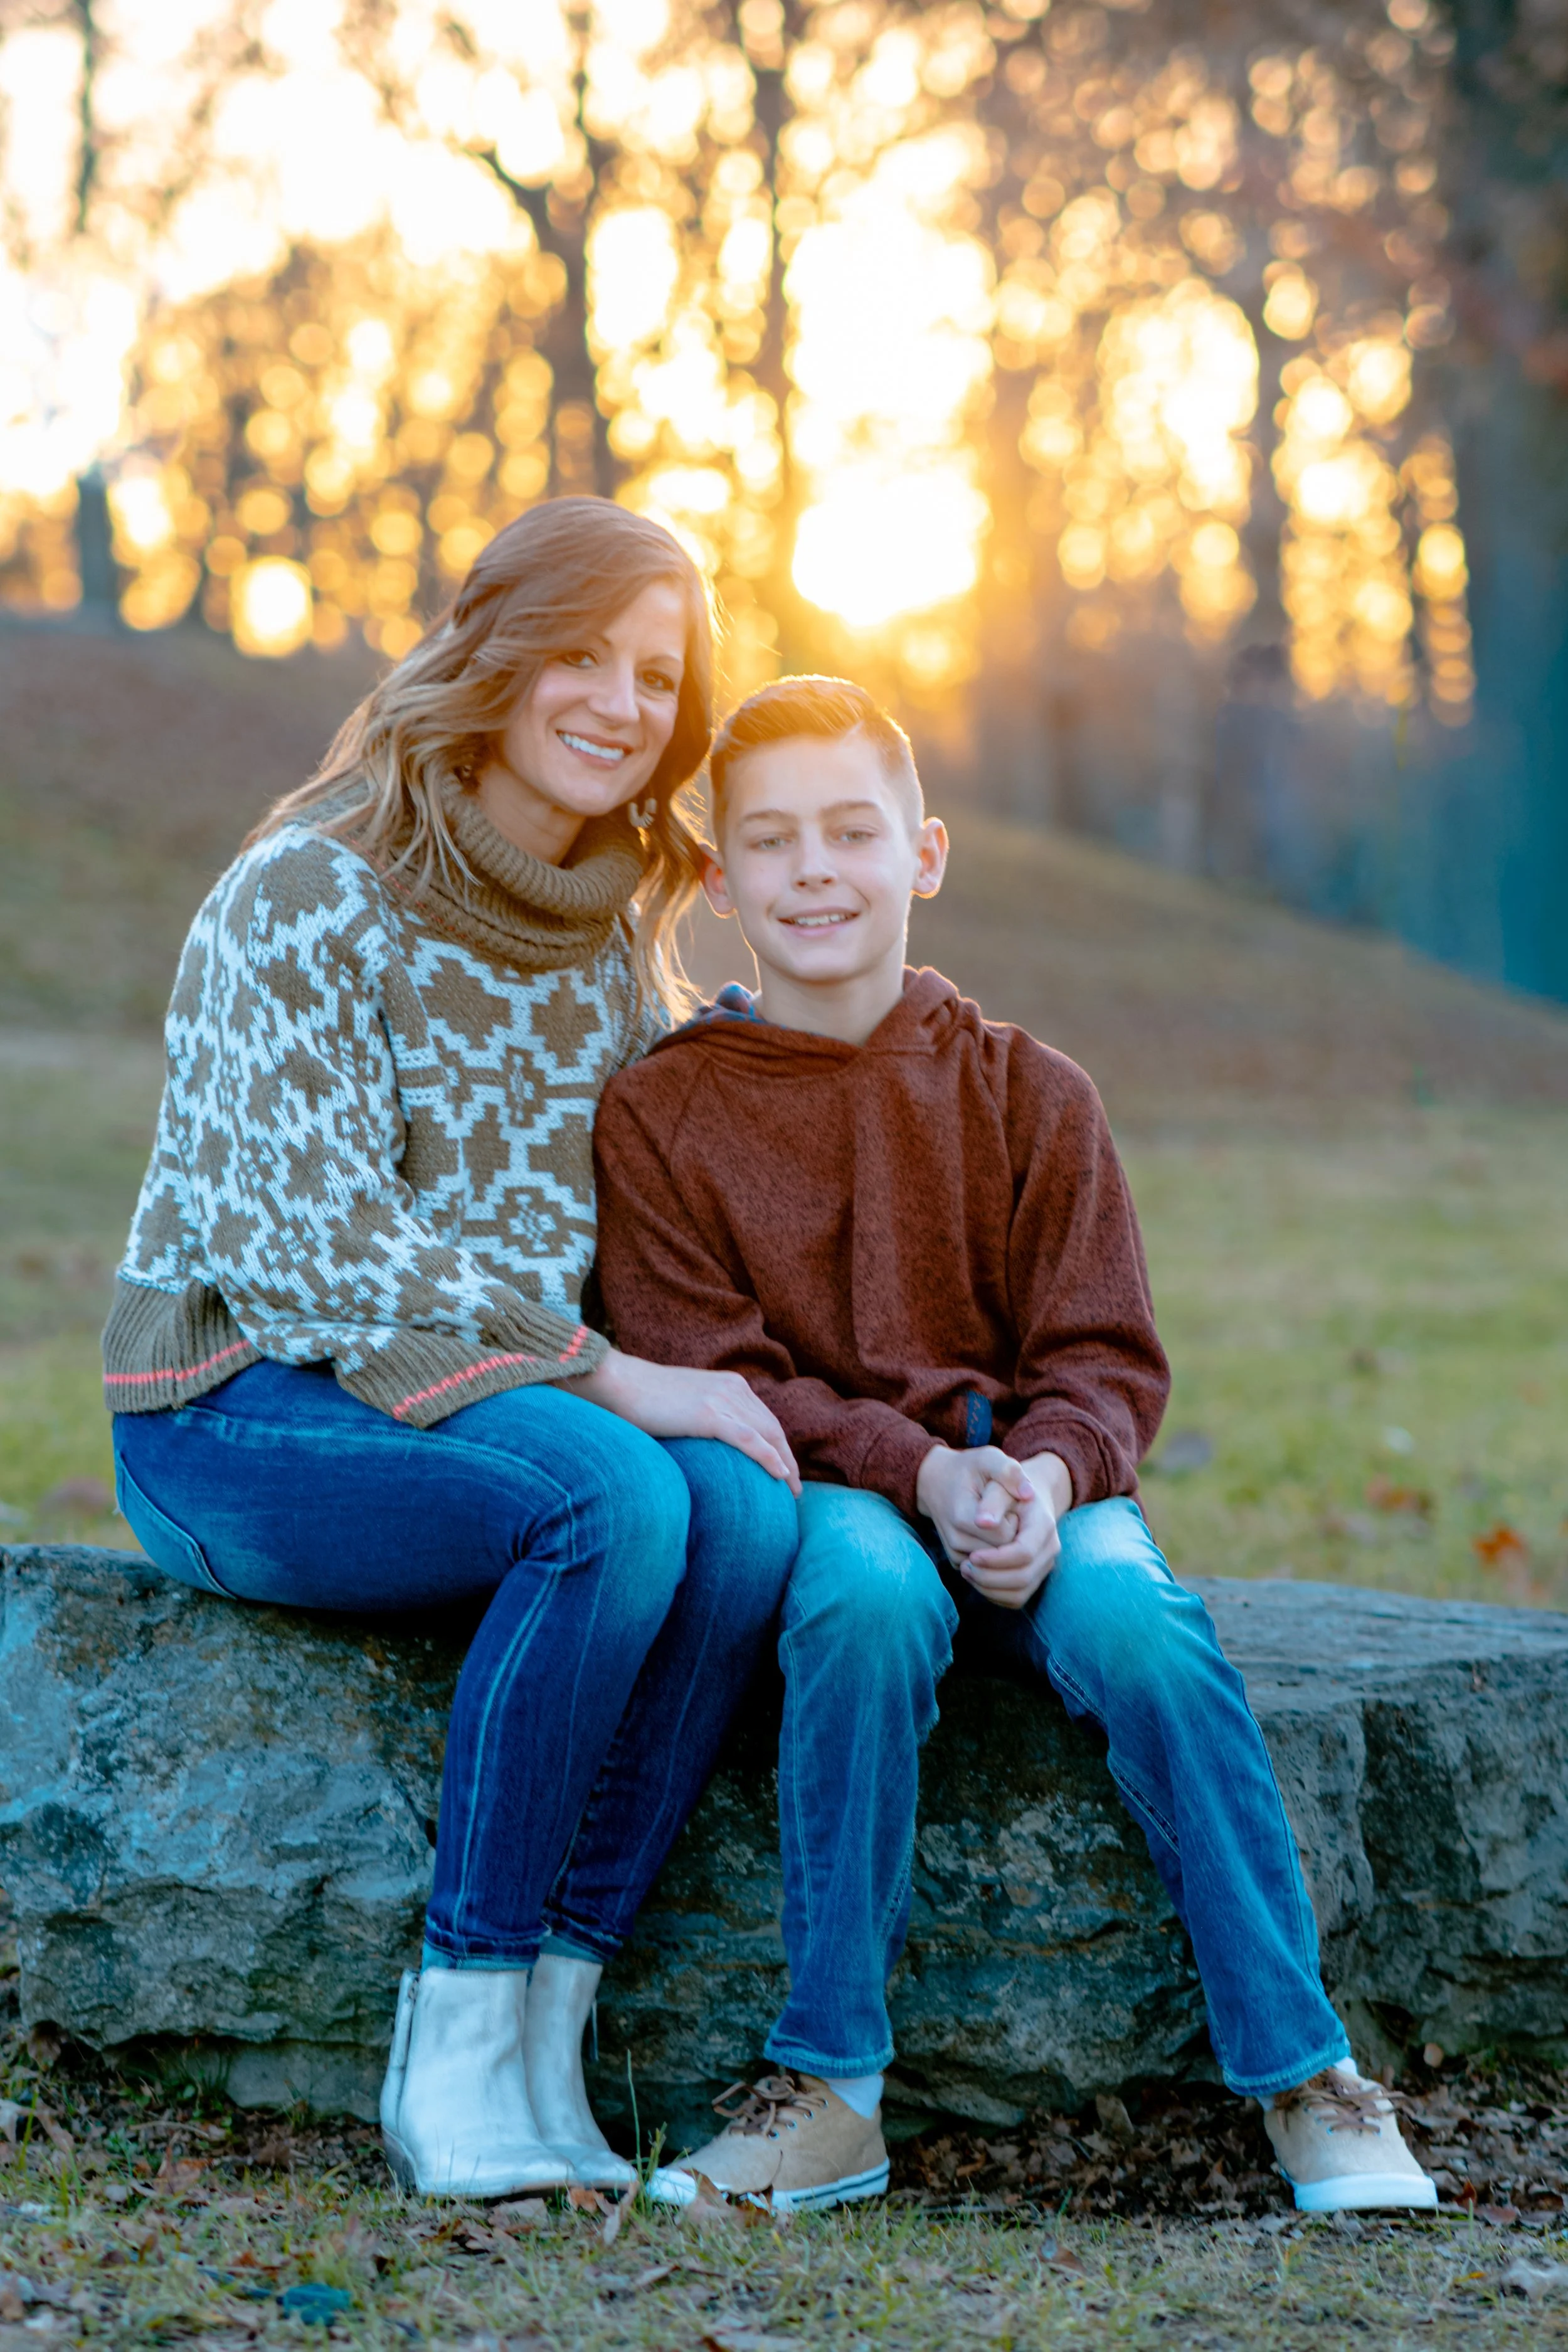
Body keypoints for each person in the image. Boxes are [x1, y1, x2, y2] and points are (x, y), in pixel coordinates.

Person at [592, 674, 1438, 2218]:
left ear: (924, 850)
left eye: (853, 831)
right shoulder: (660, 1115)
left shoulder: (1032, 1093)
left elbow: (1105, 1358)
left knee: (1138, 1619)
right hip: (837, 1493)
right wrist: (913, 1473)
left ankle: (1307, 2075)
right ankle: (830, 2089)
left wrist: (1042, 1480)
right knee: (854, 1604)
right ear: (718, 881)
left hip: (1031, 1491)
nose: (815, 871)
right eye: (770, 843)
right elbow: (713, 1373)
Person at [104, 499, 802, 2202]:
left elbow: (657, 1202)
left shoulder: (607, 936)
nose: (620, 700)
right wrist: (620, 1381)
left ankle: (552, 2035)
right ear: (494, 648)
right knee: (616, 1498)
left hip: (482, 1400)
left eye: (657, 674)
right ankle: (453, 2038)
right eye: (582, 651)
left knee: (747, 1515)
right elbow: (312, 1251)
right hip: (240, 1406)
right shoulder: (308, 890)